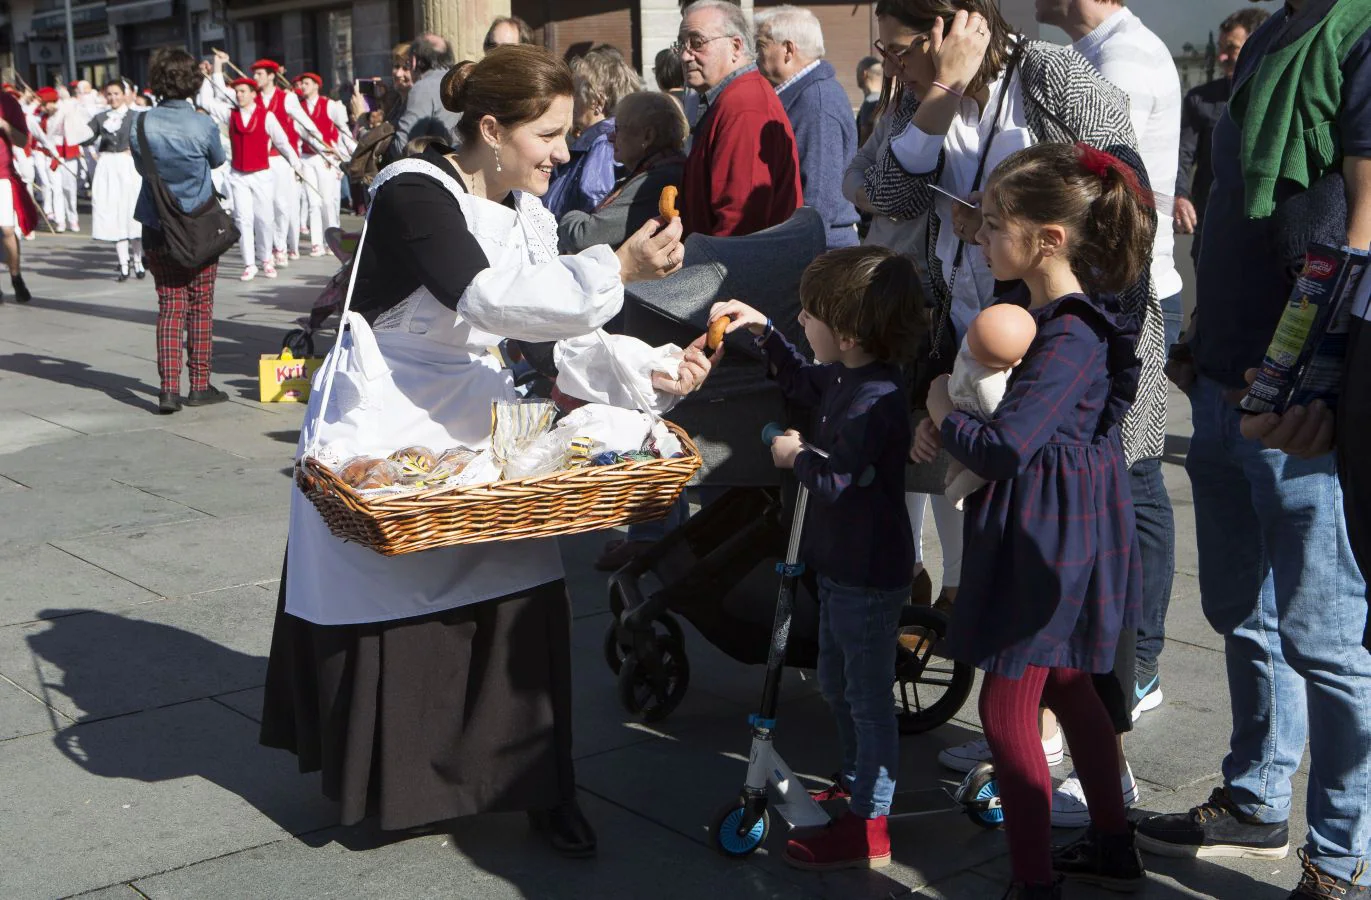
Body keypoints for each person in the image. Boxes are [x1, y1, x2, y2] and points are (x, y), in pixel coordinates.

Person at [258, 43, 711, 859]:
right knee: (390, 584)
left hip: (480, 408)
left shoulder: (531, 216)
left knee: (518, 588)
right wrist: (617, 262)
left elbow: (557, 333)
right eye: (550, 134)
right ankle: (396, 782)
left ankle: (539, 787)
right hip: (385, 412)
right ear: (493, 129)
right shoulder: (412, 191)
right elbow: (490, 300)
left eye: (569, 133)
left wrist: (652, 367)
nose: (564, 153)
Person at [863, 3, 1162, 808]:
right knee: (1015, 580)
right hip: (972, 346)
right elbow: (879, 190)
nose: (890, 67)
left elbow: (1122, 206)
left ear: (948, 24)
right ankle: (1065, 769)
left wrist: (1098, 355)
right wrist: (936, 94)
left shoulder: (1053, 75)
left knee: (1070, 588)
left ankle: (1078, 763)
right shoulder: (917, 93)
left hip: (1066, 369)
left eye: (899, 51)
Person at [1140, 1, 1371, 895]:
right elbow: (1234, 207)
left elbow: (1363, 231)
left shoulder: (1357, 36)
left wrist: (1323, 383)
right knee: (1242, 611)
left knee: (1327, 640)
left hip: (1296, 403)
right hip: (1226, 375)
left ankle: (1340, 855)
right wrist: (1202, 331)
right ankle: (1253, 795)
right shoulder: (1275, 33)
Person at [916, 141, 1151, 900]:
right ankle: (1112, 845)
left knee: (1005, 700)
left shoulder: (1069, 332)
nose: (980, 238)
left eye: (991, 225)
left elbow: (1008, 447)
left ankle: (1030, 880)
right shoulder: (1053, 322)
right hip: (1059, 525)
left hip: (1049, 536)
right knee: (1068, 684)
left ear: (1047, 238)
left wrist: (941, 410)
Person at [710, 246, 922, 871]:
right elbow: (804, 379)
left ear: (850, 334)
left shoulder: (874, 397)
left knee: (865, 695)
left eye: (808, 315)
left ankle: (870, 823)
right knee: (836, 680)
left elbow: (838, 478)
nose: (802, 321)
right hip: (841, 566)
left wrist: (793, 455)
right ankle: (857, 782)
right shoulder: (848, 376)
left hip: (866, 570)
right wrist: (767, 332)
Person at [1032, 1, 1180, 819]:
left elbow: (1114, 180)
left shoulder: (1117, 59)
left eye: (996, 223)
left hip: (1123, 307)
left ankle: (1117, 723)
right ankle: (1092, 742)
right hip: (1098, 307)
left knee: (1131, 504)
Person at [130, 48, 231, 415]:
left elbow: (143, 167)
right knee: (201, 305)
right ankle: (199, 385)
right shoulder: (203, 124)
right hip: (200, 225)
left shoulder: (139, 123)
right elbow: (218, 161)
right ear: (193, 81)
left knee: (169, 305)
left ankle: (168, 389)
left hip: (157, 224)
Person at [677, 0, 802, 237]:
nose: (685, 56)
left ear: (736, 46)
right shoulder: (734, 98)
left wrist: (707, 272)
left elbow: (739, 221)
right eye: (681, 44)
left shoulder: (745, 106)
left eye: (697, 42)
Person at [754, 6, 860, 249]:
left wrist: (798, 258)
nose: (755, 56)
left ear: (788, 50)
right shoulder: (805, 95)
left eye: (760, 45)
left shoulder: (817, 101)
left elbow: (819, 197)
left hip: (821, 252)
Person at [1172, 7, 1269, 263]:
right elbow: (1182, 154)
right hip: (1213, 225)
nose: (1223, 56)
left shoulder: (1279, 97)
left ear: (1256, 45)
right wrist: (1180, 195)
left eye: (1232, 48)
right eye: (1221, 49)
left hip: (1266, 227)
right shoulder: (1200, 100)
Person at [198, 63, 305, 281]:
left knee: (264, 219)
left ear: (253, 94)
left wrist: (296, 164)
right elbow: (205, 102)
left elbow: (283, 143)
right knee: (243, 219)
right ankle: (249, 263)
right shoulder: (231, 115)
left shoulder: (266, 116)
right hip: (238, 176)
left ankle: (266, 258)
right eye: (236, 92)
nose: (238, 95)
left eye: (243, 91)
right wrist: (209, 75)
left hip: (261, 176)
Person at [558, 91, 687, 253]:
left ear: (647, 136)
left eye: (618, 128)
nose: (611, 137)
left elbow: (584, 237)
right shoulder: (658, 170)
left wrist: (568, 218)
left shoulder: (657, 180)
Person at [544, 45, 641, 218]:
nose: (570, 101)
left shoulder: (604, 144)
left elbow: (596, 208)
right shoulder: (599, 140)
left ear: (597, 100)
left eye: (575, 93)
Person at [250, 58, 329, 265]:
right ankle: (271, 249)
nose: (255, 78)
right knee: (262, 208)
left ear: (271, 76)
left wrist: (322, 144)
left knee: (282, 206)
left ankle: (282, 247)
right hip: (259, 161)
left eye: (259, 74)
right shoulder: (251, 98)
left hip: (282, 159)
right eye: (254, 74)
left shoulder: (286, 98)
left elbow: (305, 121)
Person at [84, 79, 146, 282]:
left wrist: (135, 151)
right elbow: (85, 138)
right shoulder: (100, 118)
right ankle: (123, 263)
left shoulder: (136, 116)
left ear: (124, 94)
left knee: (132, 213)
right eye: (109, 94)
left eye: (116, 93)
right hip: (108, 168)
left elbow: (146, 141)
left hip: (128, 167)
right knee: (114, 214)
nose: (113, 98)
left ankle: (138, 261)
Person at [296, 72, 357, 256]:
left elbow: (343, 130)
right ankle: (317, 243)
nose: (303, 86)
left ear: (316, 85)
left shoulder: (330, 105)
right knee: (313, 202)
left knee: (328, 201)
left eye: (306, 83)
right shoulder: (298, 108)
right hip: (307, 158)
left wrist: (348, 155)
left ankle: (334, 240)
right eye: (302, 83)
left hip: (328, 157)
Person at [388, 32, 460, 161]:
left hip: (438, 169)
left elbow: (402, 148)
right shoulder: (458, 81)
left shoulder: (423, 88)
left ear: (414, 62)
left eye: (407, 65)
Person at [0, 80, 34, 303]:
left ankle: (16, 276)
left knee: (7, 230)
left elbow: (23, 141)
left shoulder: (8, 102)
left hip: (1, 175)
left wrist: (4, 125)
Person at [855, 55, 883, 148]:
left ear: (865, 74)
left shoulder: (870, 103)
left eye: (857, 71)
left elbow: (864, 143)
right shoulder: (884, 100)